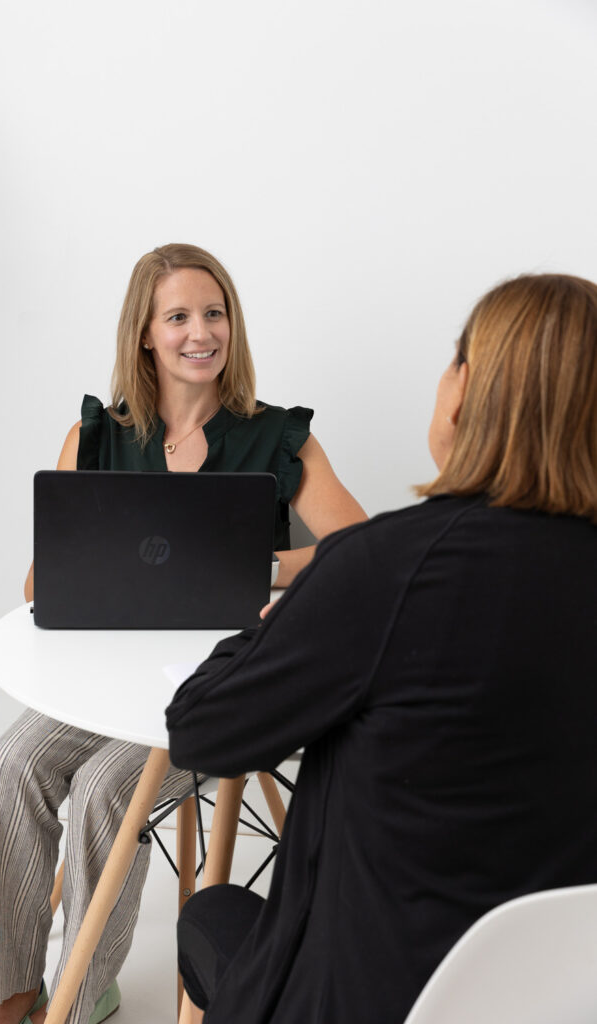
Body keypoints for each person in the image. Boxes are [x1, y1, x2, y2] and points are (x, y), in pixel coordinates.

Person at [167, 272, 597, 1024]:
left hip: (370, 998)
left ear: (463, 392)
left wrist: (276, 617)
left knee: (211, 916)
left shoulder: (388, 567)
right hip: (564, 994)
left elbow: (202, 729)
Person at [0, 243, 367, 1024]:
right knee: (1, 773)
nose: (200, 332)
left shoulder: (278, 438)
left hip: (222, 681)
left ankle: (82, 995)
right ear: (144, 334)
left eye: (213, 314)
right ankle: (16, 988)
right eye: (177, 316)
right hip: (103, 674)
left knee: (104, 793)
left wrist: (264, 566)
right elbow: (35, 587)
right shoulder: (95, 438)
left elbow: (360, 552)